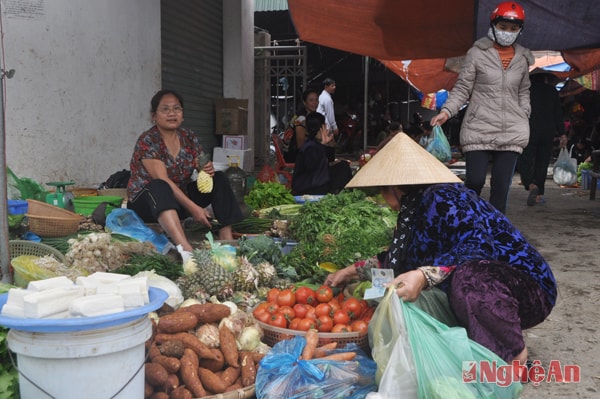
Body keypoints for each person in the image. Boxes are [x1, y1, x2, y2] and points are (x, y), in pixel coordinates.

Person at [324, 132, 556, 366]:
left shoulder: (444, 197)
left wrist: (423, 276)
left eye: (381, 191)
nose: (382, 198)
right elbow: (400, 260)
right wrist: (349, 272)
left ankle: (514, 355)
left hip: (529, 289)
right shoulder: (416, 209)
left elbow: (477, 249)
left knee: (468, 279)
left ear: (393, 186)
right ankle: (483, 338)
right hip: (496, 288)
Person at [430, 1, 533, 214]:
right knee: (475, 181)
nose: (508, 33)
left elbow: (524, 90)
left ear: (519, 31)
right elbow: (462, 88)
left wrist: (525, 111)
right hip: (479, 125)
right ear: (494, 26)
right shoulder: (476, 53)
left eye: (513, 29)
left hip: (512, 130)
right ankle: (469, 224)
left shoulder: (523, 59)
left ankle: (496, 234)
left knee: (501, 187)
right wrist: (446, 111)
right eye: (503, 27)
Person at [127, 89, 244, 252]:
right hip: (148, 204)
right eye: (165, 109)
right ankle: (186, 249)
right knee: (160, 185)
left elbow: (200, 163)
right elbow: (163, 180)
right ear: (154, 116)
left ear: (182, 115)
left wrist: (205, 168)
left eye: (176, 109)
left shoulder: (188, 137)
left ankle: (226, 238)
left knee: (219, 178)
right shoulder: (148, 140)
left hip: (178, 201)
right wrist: (194, 208)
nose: (171, 114)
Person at [517, 73, 567, 206]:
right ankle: (538, 194)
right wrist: (562, 134)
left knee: (525, 158)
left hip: (528, 130)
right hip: (547, 132)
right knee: (542, 162)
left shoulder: (525, 91)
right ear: (545, 79)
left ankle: (530, 184)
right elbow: (558, 114)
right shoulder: (551, 91)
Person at [291, 112, 352, 195]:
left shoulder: (315, 143)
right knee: (343, 169)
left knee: (343, 166)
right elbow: (314, 167)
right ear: (321, 128)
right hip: (310, 186)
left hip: (317, 181)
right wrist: (322, 145)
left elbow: (326, 162)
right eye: (325, 125)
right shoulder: (310, 146)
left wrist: (329, 144)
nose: (326, 128)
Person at [282, 88, 319, 163]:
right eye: (311, 100)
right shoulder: (301, 119)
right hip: (294, 154)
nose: (315, 103)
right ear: (304, 102)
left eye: (316, 100)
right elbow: (300, 145)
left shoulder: (309, 116)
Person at [317, 78, 338, 159]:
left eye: (334, 85)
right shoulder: (327, 99)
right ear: (326, 87)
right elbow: (330, 115)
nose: (334, 87)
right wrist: (335, 127)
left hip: (322, 125)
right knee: (329, 145)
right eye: (332, 86)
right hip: (326, 126)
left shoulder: (322, 96)